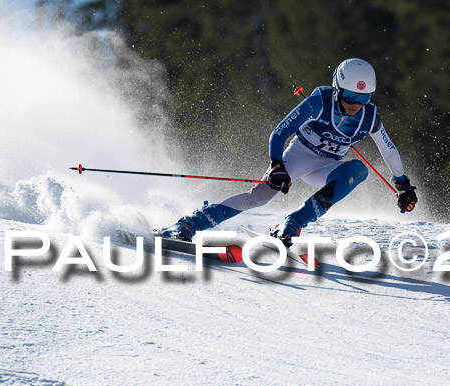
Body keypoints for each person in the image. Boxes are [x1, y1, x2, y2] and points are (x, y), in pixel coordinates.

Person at [159, 58, 417, 246]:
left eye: (364, 97)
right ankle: (188, 225)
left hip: (326, 167)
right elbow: (279, 133)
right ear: (338, 88)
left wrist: (403, 184)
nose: (355, 104)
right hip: (299, 156)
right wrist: (277, 166)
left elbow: (389, 149)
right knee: (260, 196)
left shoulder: (369, 117)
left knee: (358, 170)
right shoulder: (319, 100)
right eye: (350, 95)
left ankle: (292, 224)